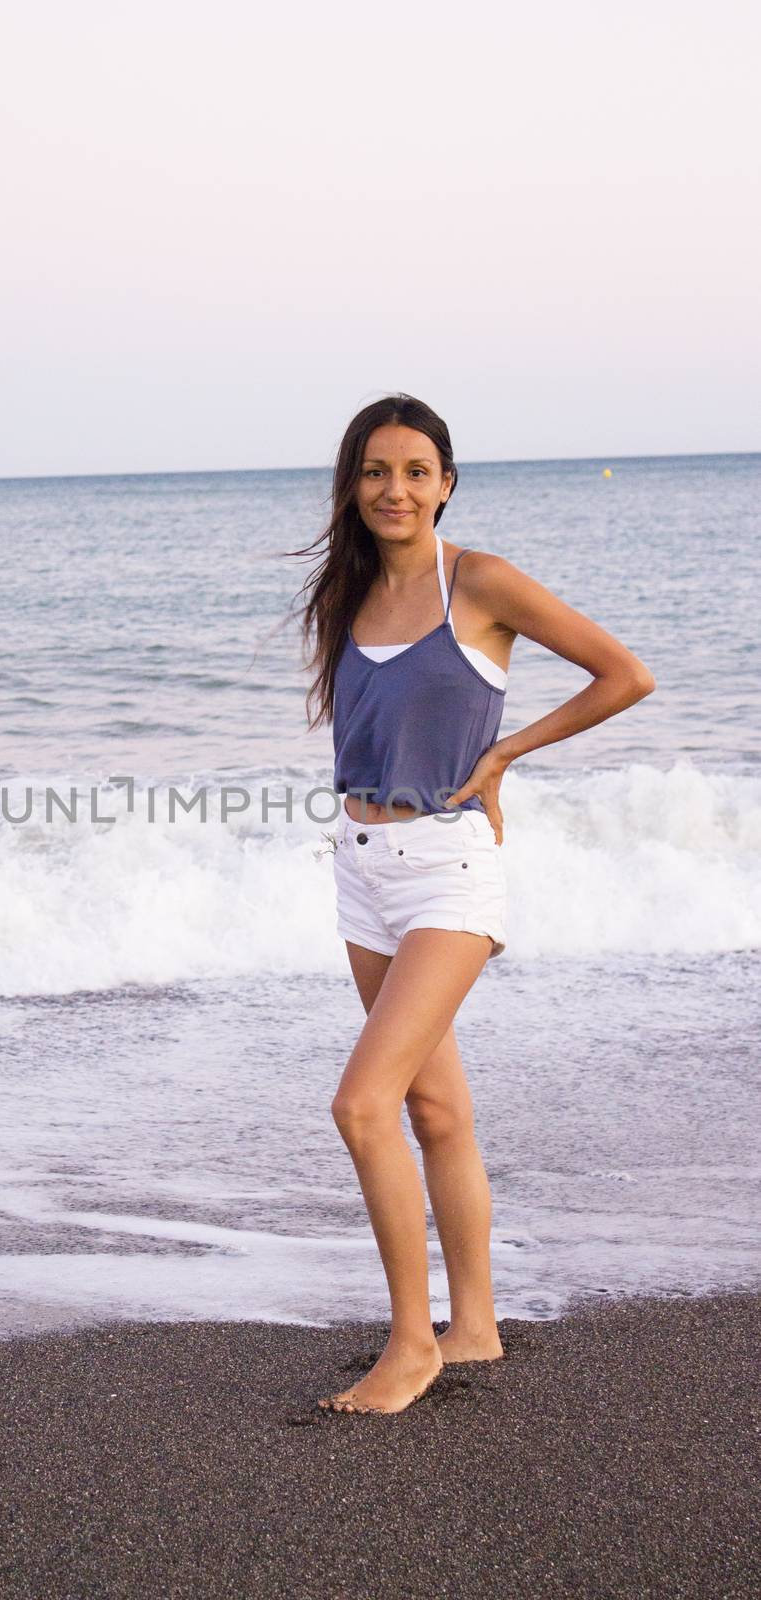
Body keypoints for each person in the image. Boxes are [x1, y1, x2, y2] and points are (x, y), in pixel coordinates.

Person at [290, 394, 656, 1416]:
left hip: (448, 871)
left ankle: (411, 1344)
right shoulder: (347, 596)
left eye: (414, 470)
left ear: (445, 481)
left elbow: (622, 675)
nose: (392, 489)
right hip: (360, 865)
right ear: (350, 485)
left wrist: (501, 753)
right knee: (432, 1106)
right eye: (373, 471)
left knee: (360, 1104)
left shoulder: (479, 584)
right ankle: (475, 1325)